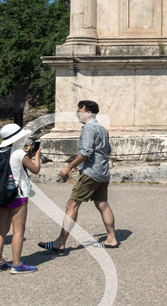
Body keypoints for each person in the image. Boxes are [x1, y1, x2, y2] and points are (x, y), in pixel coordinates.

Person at [38, 100, 117, 254]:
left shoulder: (88, 128)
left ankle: (60, 242)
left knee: (71, 205)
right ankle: (111, 238)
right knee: (102, 204)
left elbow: (86, 152)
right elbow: (107, 151)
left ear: (88, 113)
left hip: (90, 173)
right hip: (102, 172)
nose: (76, 113)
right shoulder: (102, 129)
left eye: (79, 110)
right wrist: (79, 163)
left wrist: (69, 166)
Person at [0, 124, 41, 273]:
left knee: (2, 231)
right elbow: (35, 169)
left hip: (3, 195)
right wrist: (37, 155)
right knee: (18, 231)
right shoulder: (18, 153)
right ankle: (17, 264)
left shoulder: (1, 151)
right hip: (18, 194)